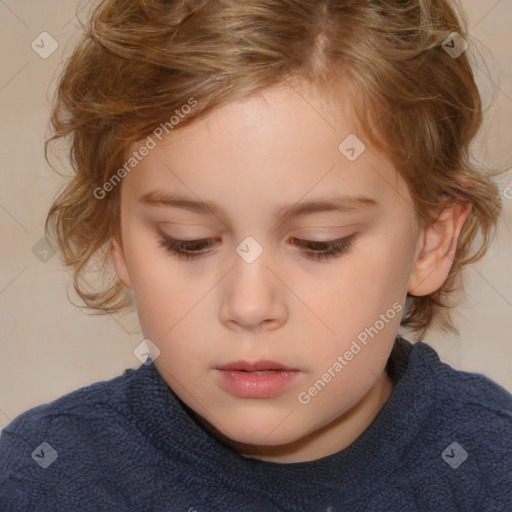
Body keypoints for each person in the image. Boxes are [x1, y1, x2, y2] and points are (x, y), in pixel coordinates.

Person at [1, 0, 511, 510]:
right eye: (188, 241)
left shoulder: (491, 468)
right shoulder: (41, 480)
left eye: (320, 243)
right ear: (116, 237)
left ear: (432, 240)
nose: (248, 305)